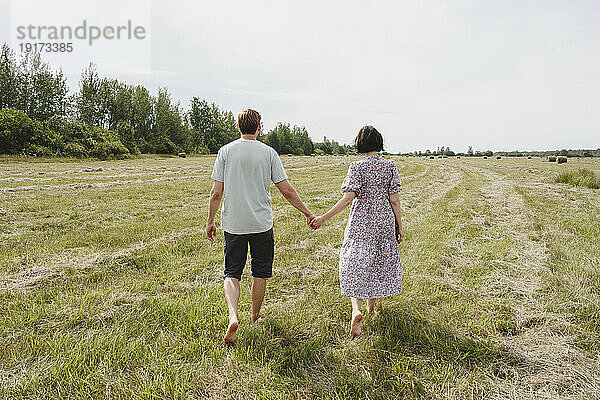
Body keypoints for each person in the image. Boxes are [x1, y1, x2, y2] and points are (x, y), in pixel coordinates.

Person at [205, 108, 316, 345]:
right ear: (259, 127)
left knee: (232, 272)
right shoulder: (269, 153)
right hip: (261, 224)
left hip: (234, 223)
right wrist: (307, 212)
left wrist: (210, 221)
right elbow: (286, 189)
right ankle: (255, 317)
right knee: (260, 272)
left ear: (237, 127)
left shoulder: (225, 152)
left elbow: (216, 193)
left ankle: (233, 316)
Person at [311, 125, 404, 338]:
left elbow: (347, 199)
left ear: (360, 143)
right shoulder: (390, 166)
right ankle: (371, 309)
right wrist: (399, 224)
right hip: (383, 220)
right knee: (378, 261)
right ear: (379, 142)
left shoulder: (357, 167)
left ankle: (357, 309)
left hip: (361, 221)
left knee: (354, 263)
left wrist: (323, 218)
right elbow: (395, 200)